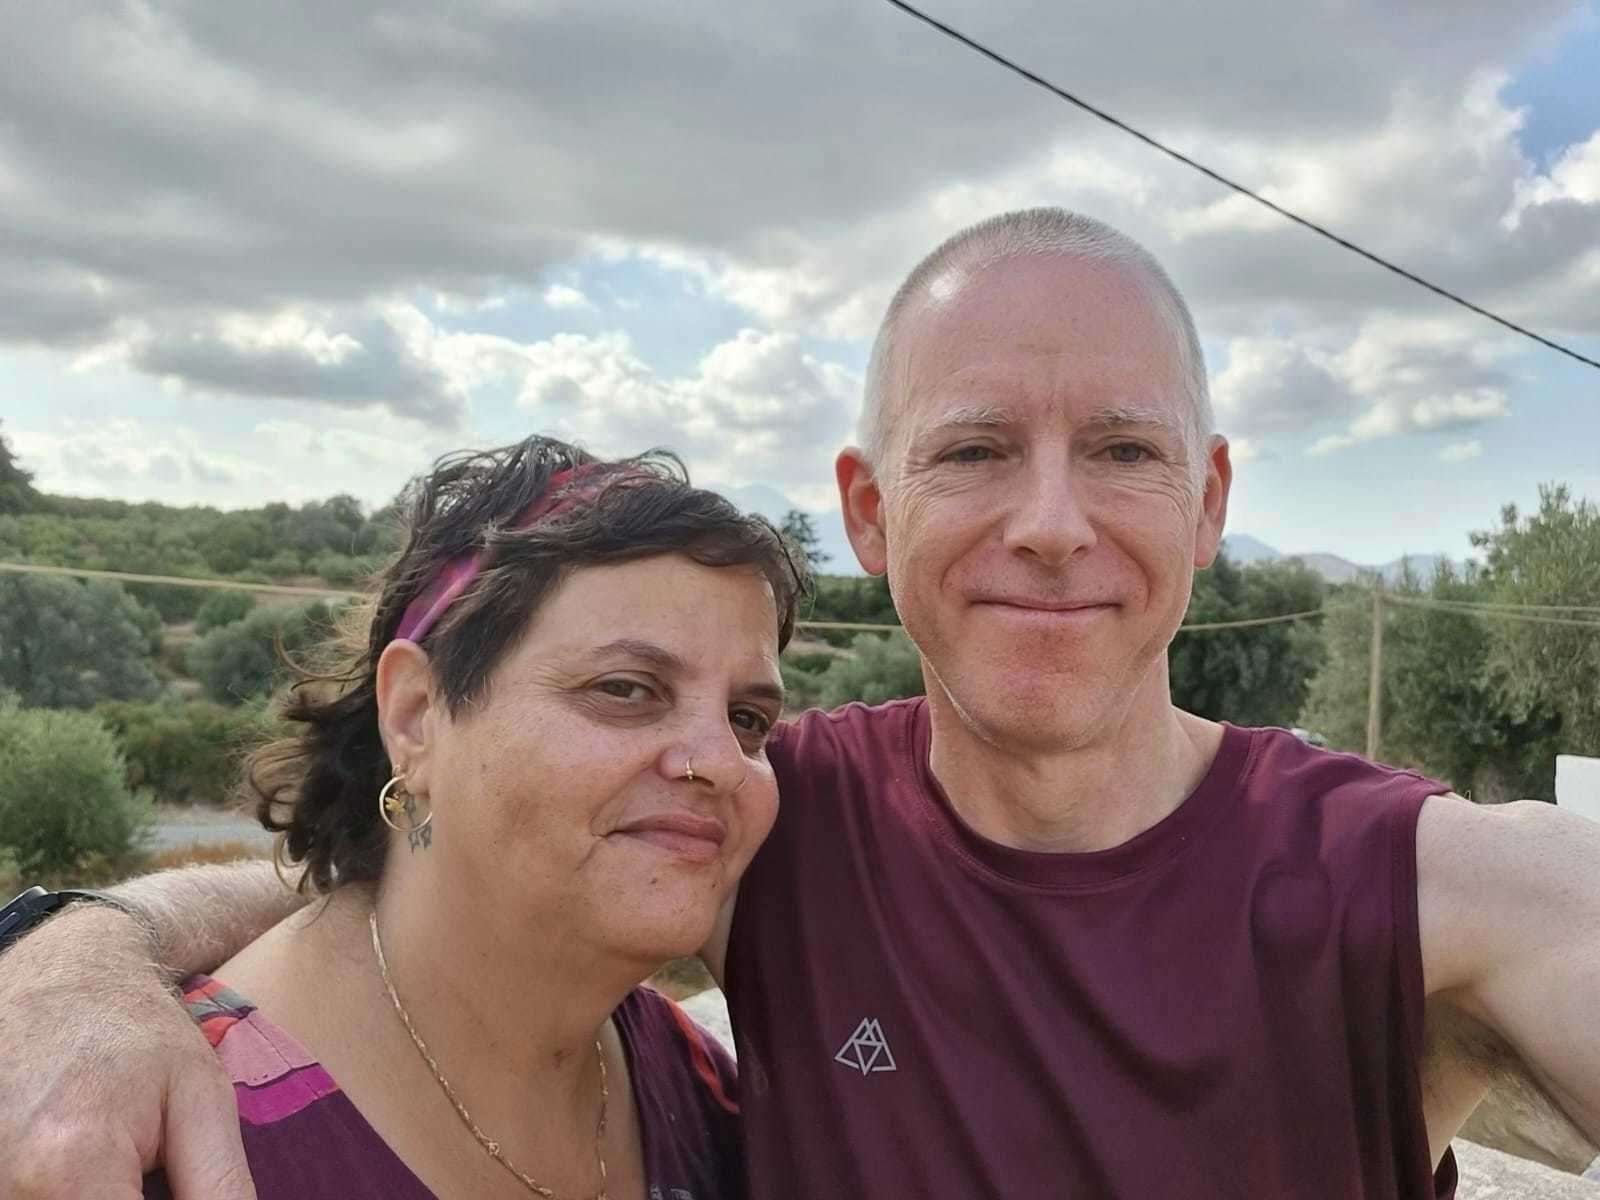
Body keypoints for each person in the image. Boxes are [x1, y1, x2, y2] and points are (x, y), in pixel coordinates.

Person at [3, 209, 1598, 1199]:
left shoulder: (1414, 878)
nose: (1052, 521)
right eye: (975, 449)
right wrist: (79, 954)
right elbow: (439, 870)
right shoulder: (770, 811)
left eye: (1123, 448)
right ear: (871, 510)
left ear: (1210, 500)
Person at [0, 436, 806, 1199]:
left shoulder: (698, 1086)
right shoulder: (133, 1133)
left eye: (747, 719)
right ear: (417, 716)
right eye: (626, 689)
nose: (719, 763)